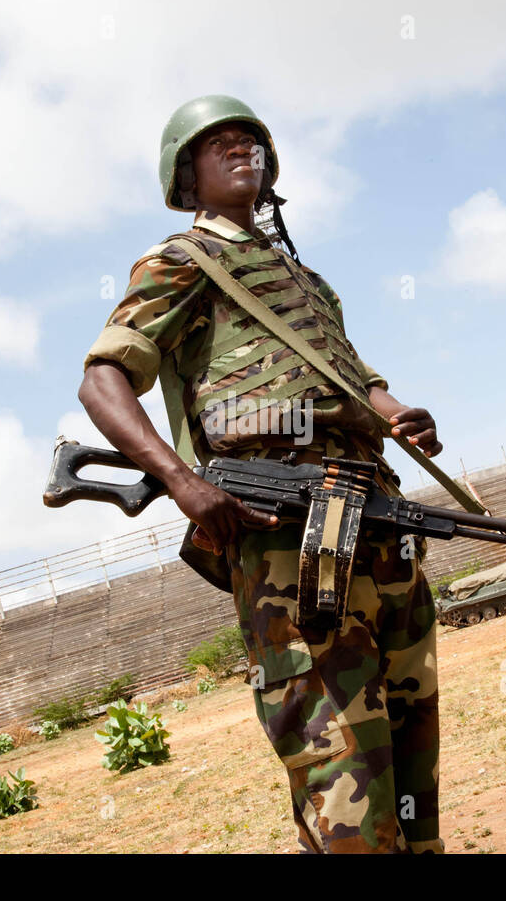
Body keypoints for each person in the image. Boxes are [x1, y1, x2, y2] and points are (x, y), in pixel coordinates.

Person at [78, 95, 444, 853]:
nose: (243, 147)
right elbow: (103, 379)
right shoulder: (179, 262)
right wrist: (182, 482)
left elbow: (357, 384)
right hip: (286, 532)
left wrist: (400, 412)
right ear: (187, 176)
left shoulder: (309, 283)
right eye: (221, 143)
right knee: (337, 760)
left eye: (252, 139)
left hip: (375, 513)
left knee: (414, 753)